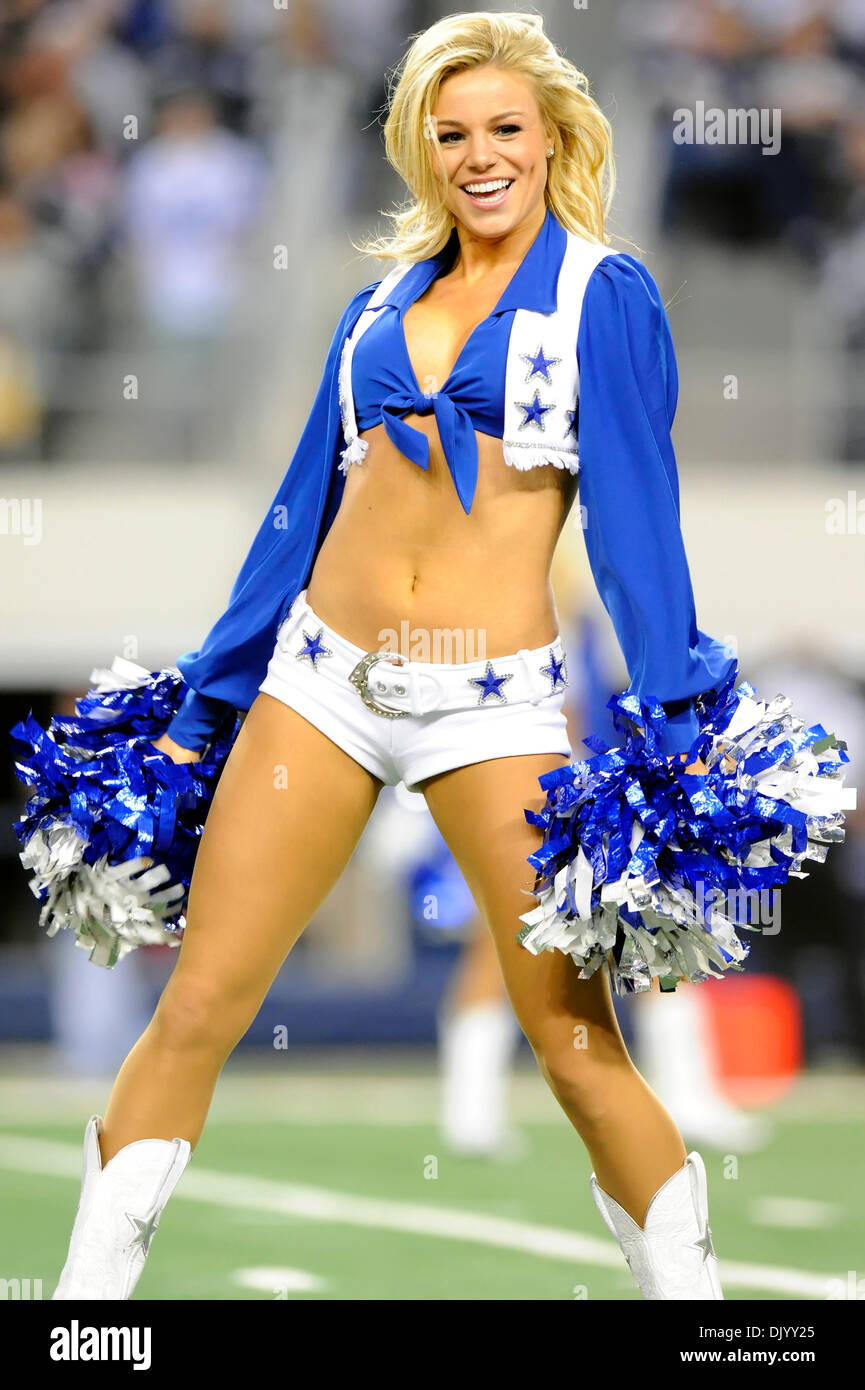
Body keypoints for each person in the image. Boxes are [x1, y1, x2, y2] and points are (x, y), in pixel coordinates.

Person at [30, 10, 849, 1304]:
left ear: (549, 138)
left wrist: (678, 719)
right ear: (420, 148)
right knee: (198, 1003)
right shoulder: (375, 303)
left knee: (576, 1044)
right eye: (450, 133)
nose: (478, 156)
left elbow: (638, 525)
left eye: (503, 131)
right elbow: (298, 510)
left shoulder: (600, 295)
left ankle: (693, 1308)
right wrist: (207, 702)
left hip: (493, 703)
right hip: (322, 683)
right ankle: (80, 1313)